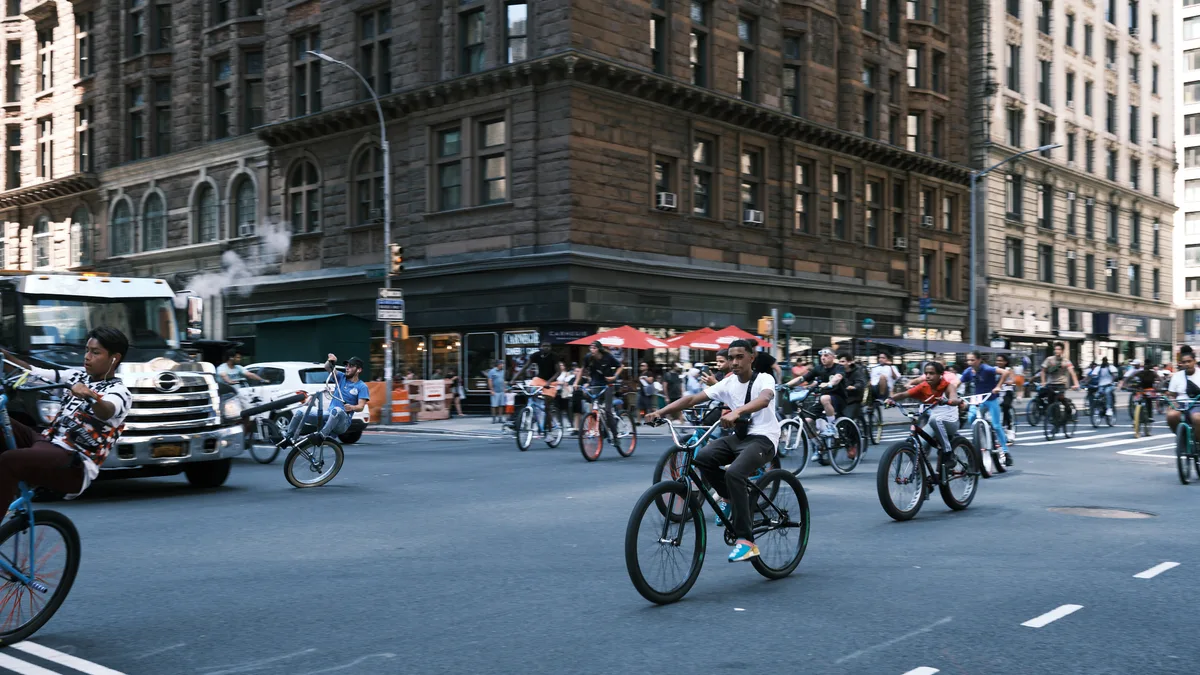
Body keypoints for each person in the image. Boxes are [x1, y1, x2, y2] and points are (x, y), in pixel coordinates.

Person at [644, 340, 779, 563]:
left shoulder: (764, 378)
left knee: (734, 473)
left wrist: (737, 413)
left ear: (751, 358)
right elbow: (692, 399)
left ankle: (747, 542)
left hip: (764, 438)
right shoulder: (727, 383)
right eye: (731, 357)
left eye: (740, 357)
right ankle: (727, 496)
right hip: (740, 437)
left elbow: (764, 400)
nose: (734, 362)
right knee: (703, 457)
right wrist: (661, 412)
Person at [0, 328, 132, 501]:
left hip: (74, 465)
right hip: (47, 442)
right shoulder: (75, 376)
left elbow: (107, 410)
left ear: (114, 358)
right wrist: (3, 355)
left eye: (95, 352)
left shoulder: (120, 392)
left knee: (8, 460)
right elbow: (30, 372)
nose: (87, 356)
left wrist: (89, 395)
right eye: (87, 350)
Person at [279, 354, 370, 449]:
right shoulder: (341, 377)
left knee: (337, 410)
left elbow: (360, 407)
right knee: (300, 411)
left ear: (358, 370)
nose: (347, 368)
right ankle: (288, 438)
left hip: (342, 422)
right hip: (328, 415)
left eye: (351, 366)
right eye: (346, 365)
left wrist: (351, 407)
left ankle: (322, 436)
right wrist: (330, 360)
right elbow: (327, 367)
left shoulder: (362, 386)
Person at [887, 360, 962, 468]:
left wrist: (949, 401)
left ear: (940, 374)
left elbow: (955, 399)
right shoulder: (924, 386)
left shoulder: (948, 386)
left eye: (931, 373)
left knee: (934, 420)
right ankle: (921, 475)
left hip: (950, 422)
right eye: (926, 373)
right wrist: (890, 399)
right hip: (935, 422)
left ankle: (948, 452)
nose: (928, 376)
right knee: (919, 445)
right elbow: (905, 394)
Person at [962, 351, 1011, 468]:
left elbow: (1005, 372)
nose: (970, 363)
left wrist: (998, 386)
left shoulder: (987, 369)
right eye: (968, 360)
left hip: (991, 399)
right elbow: (957, 383)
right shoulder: (968, 371)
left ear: (979, 360)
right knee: (971, 417)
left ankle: (1005, 451)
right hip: (978, 399)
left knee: (996, 425)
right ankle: (981, 435)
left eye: (972, 360)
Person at [573, 341, 624, 450]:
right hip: (595, 385)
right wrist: (576, 382)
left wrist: (614, 377)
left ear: (599, 349)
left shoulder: (608, 357)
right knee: (595, 408)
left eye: (594, 348)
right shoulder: (588, 358)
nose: (592, 350)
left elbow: (620, 366)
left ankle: (615, 436)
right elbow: (582, 370)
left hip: (608, 385)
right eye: (590, 348)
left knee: (607, 410)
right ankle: (603, 430)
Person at [786, 348, 845, 439]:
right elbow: (802, 378)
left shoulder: (839, 367)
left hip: (838, 398)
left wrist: (830, 383)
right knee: (807, 422)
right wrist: (785, 385)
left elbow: (838, 377)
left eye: (826, 355)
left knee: (824, 398)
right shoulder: (818, 368)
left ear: (833, 357)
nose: (823, 358)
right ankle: (818, 445)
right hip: (822, 400)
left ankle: (832, 426)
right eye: (821, 355)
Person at [1167, 346, 1200, 437]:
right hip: (1181, 404)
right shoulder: (1176, 376)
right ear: (1181, 363)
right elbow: (1171, 395)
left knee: (1198, 419)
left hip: (1197, 404)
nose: (1187, 364)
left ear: (1194, 361)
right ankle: (1181, 437)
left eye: (1189, 361)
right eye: (1184, 362)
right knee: (1171, 415)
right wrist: (1174, 404)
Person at [1040, 342, 1080, 413]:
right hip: (1050, 384)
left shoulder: (1066, 361)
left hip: (1061, 384)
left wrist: (1076, 384)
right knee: (1050, 402)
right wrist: (1043, 382)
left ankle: (1069, 412)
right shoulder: (1049, 359)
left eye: (1058, 349)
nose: (1056, 351)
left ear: (1062, 351)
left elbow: (1072, 373)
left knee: (1061, 398)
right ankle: (1053, 417)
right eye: (1055, 349)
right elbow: (1042, 371)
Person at [837, 353, 868, 435]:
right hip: (842, 398)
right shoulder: (839, 371)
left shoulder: (857, 371)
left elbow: (860, 383)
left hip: (854, 399)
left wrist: (854, 387)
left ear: (849, 362)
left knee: (847, 418)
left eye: (843, 361)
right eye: (839, 361)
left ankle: (853, 439)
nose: (840, 363)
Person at [994, 354, 1016, 437]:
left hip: (1007, 390)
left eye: (1001, 360)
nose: (998, 362)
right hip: (997, 391)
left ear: (1005, 362)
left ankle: (1009, 427)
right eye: (997, 360)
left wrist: (1006, 382)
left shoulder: (1009, 370)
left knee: (1006, 406)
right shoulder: (995, 369)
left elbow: (1013, 380)